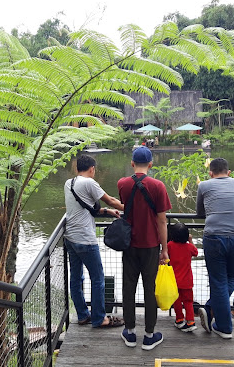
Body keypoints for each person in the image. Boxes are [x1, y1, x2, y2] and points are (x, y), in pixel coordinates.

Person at [117, 146, 171, 350]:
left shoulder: (122, 183)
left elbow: (127, 206)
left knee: (128, 287)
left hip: (129, 244)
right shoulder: (158, 186)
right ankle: (149, 335)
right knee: (150, 289)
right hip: (150, 246)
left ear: (132, 163)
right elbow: (162, 221)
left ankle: (129, 332)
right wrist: (164, 249)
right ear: (151, 164)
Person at [64, 154, 125, 328]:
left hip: (70, 238)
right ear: (92, 169)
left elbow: (87, 208)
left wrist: (107, 212)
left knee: (76, 278)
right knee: (97, 278)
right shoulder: (90, 182)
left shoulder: (69, 183)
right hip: (85, 239)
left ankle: (83, 315)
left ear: (77, 169)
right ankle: (100, 318)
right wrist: (132, 208)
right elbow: (112, 200)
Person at [196, 157, 234, 339]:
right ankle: (211, 311)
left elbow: (200, 212)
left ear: (211, 173)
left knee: (218, 281)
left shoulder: (204, 185)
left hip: (214, 237)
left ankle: (222, 325)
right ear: (229, 173)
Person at [167, 223, 199, 332]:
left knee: (176, 301)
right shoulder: (189, 247)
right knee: (188, 302)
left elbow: (166, 255)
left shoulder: (170, 245)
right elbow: (196, 252)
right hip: (187, 281)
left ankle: (179, 319)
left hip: (174, 280)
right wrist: (190, 241)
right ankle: (190, 321)